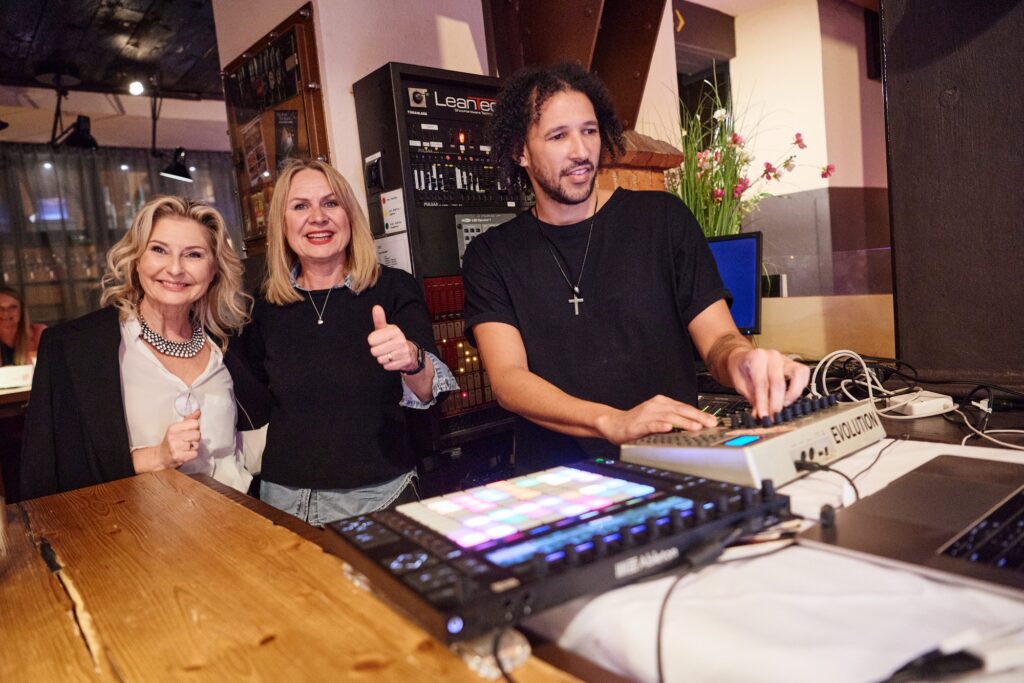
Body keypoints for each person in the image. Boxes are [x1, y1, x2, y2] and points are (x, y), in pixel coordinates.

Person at [461, 63, 810, 468]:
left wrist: (742, 361)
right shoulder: (491, 254)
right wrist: (611, 421)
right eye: (558, 136)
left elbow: (719, 341)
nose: (581, 151)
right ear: (519, 151)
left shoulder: (663, 219)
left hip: (674, 464)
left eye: (589, 131)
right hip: (558, 480)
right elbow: (509, 380)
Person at [241, 159, 457, 526]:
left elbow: (428, 392)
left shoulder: (393, 288)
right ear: (282, 223)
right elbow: (252, 400)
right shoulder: (262, 305)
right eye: (300, 206)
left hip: (379, 497)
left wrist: (412, 359)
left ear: (350, 215)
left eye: (331, 203)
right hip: (283, 501)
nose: (318, 217)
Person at [20, 196, 268, 499]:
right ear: (137, 258)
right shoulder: (74, 349)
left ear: (214, 269)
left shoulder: (230, 344)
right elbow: (51, 470)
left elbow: (244, 449)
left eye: (194, 254)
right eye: (159, 250)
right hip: (130, 523)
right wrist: (156, 457)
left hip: (237, 518)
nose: (175, 269)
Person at [0, 287, 45, 366]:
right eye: (0, 308)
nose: (5, 313)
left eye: (12, 307)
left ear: (21, 310)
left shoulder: (39, 333)